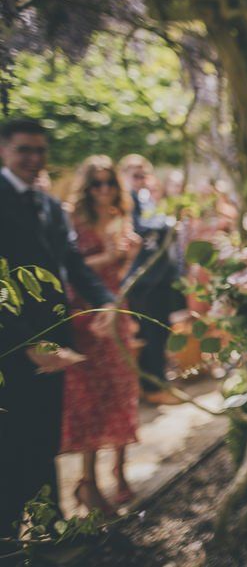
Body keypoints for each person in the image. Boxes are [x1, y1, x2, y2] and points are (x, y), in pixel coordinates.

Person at [0, 119, 115, 543]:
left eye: (40, 151)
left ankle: (49, 530)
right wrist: (26, 344)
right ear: (3, 150)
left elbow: (73, 263)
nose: (34, 159)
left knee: (45, 438)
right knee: (9, 447)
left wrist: (106, 300)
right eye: (24, 150)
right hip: (10, 350)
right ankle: (9, 538)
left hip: (56, 343)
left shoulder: (49, 205)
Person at [60, 156, 142, 515]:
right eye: (97, 184)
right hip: (85, 316)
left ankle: (120, 473)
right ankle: (88, 482)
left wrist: (127, 257)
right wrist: (107, 256)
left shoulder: (122, 216)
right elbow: (68, 269)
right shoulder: (74, 220)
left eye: (109, 182)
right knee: (89, 399)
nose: (104, 190)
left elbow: (121, 272)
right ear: (87, 187)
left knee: (122, 391)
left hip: (116, 310)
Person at [119, 154, 182, 405]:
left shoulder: (146, 199)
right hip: (144, 280)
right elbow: (145, 229)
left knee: (158, 332)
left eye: (144, 173)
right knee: (150, 334)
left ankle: (155, 384)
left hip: (159, 279)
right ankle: (153, 387)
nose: (141, 178)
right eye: (135, 174)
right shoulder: (128, 203)